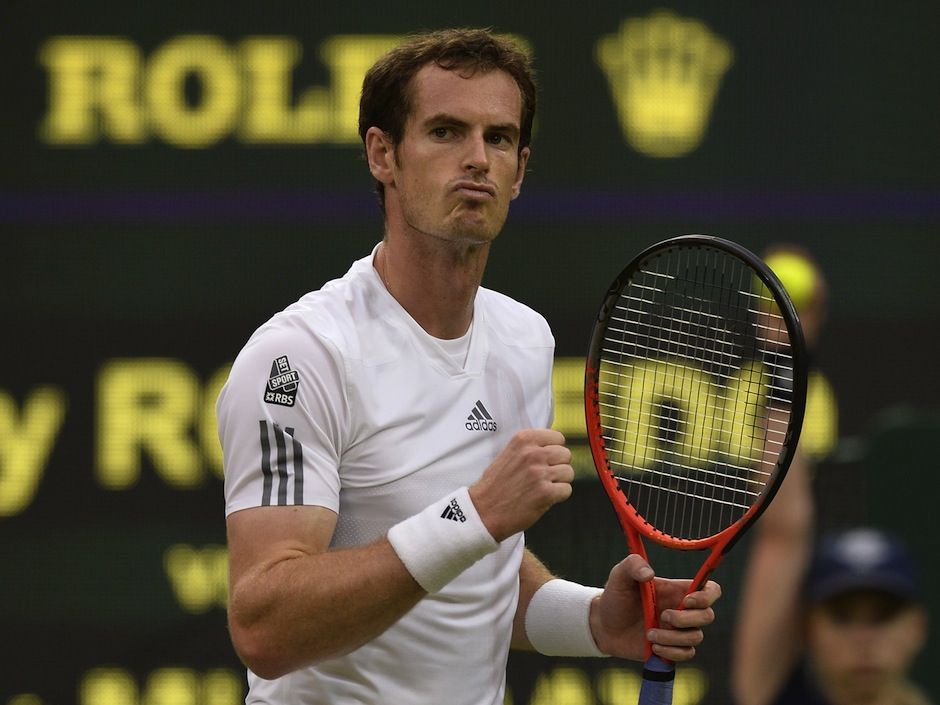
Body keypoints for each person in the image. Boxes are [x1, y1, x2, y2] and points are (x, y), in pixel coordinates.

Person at [217, 28, 721, 705]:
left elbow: (468, 581)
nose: (478, 159)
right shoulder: (303, 355)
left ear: (520, 170)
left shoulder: (523, 340)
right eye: (447, 131)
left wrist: (594, 619)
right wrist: (477, 511)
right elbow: (265, 628)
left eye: (501, 138)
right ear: (382, 154)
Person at [730, 247, 931, 705]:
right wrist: (784, 359)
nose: (864, 638)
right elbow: (785, 531)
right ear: (807, 626)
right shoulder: (772, 694)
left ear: (917, 627)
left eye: (883, 614)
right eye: (842, 613)